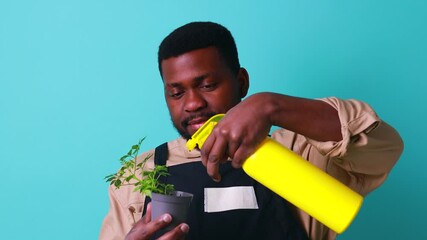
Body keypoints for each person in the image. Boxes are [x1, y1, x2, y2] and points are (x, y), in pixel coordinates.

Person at [99, 21, 403, 240]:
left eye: (207, 85)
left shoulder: (304, 151)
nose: (192, 103)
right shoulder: (139, 176)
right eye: (176, 93)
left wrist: (271, 106)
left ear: (241, 82)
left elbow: (384, 146)